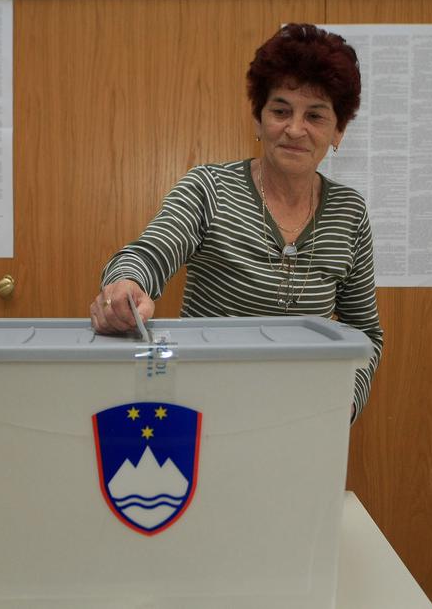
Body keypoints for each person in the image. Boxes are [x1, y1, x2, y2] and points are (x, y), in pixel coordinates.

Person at [89, 23, 383, 422]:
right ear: (258, 120)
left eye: (315, 115)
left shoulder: (349, 211)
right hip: (203, 412)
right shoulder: (208, 188)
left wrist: (344, 402)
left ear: (338, 131)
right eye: (281, 111)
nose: (295, 129)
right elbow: (148, 254)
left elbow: (365, 331)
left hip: (303, 417)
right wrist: (125, 285)